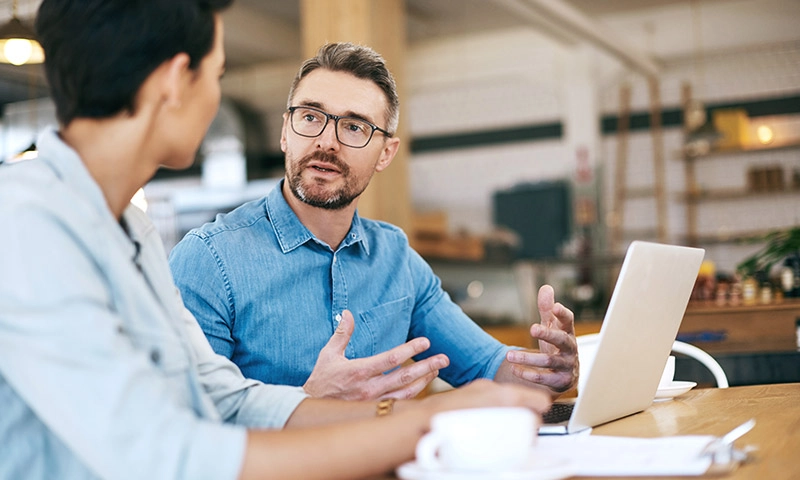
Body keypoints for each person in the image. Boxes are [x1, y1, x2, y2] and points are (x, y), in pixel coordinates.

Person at [0, 2, 553, 479]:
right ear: (174, 81)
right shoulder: (25, 223)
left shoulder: (129, 227)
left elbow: (227, 397)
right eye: (217, 75)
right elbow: (166, 454)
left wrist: (398, 415)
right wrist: (431, 424)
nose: (216, 98)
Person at [168, 42, 579, 402]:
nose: (326, 141)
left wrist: (548, 373)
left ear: (385, 153)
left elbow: (488, 367)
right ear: (284, 132)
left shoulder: (396, 258)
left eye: (354, 126)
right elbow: (184, 426)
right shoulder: (208, 260)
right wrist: (308, 401)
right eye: (310, 117)